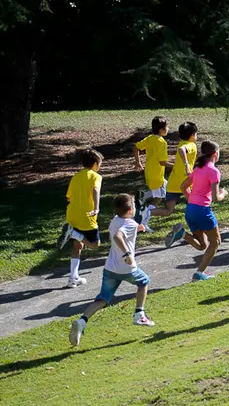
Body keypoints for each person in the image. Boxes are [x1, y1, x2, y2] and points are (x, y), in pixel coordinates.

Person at [69, 193, 153, 347]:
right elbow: (119, 236)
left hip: (110, 268)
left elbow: (121, 230)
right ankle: (139, 314)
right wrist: (127, 254)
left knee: (102, 299)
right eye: (134, 206)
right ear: (130, 210)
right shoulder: (130, 224)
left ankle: (82, 321)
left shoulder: (115, 220)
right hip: (126, 268)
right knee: (144, 282)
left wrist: (138, 228)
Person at [181, 140, 228, 281]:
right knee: (216, 242)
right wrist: (223, 193)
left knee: (203, 245)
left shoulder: (198, 169)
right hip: (202, 211)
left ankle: (183, 234)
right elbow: (215, 198)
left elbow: (183, 187)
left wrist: (192, 200)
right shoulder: (213, 171)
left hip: (190, 210)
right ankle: (199, 273)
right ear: (215, 154)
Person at [56, 149, 104, 288]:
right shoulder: (96, 176)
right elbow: (96, 190)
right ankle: (73, 233)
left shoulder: (76, 177)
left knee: (78, 246)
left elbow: (69, 197)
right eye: (100, 163)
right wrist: (96, 208)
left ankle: (73, 278)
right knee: (95, 244)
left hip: (72, 214)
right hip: (87, 215)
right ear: (95, 164)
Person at [161, 121, 198, 248]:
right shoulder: (191, 145)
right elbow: (182, 150)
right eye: (196, 134)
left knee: (168, 210)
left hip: (173, 183)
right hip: (186, 183)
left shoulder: (181, 142)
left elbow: (181, 149)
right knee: (195, 209)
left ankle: (146, 212)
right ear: (192, 135)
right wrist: (187, 165)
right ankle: (195, 233)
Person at [133, 115, 173, 232]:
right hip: (156, 175)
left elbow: (135, 147)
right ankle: (143, 215)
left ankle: (143, 199)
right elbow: (162, 162)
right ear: (161, 129)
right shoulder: (162, 142)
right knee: (159, 197)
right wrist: (177, 166)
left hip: (150, 173)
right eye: (167, 127)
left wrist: (138, 163)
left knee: (163, 191)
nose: (168, 129)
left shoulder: (150, 138)